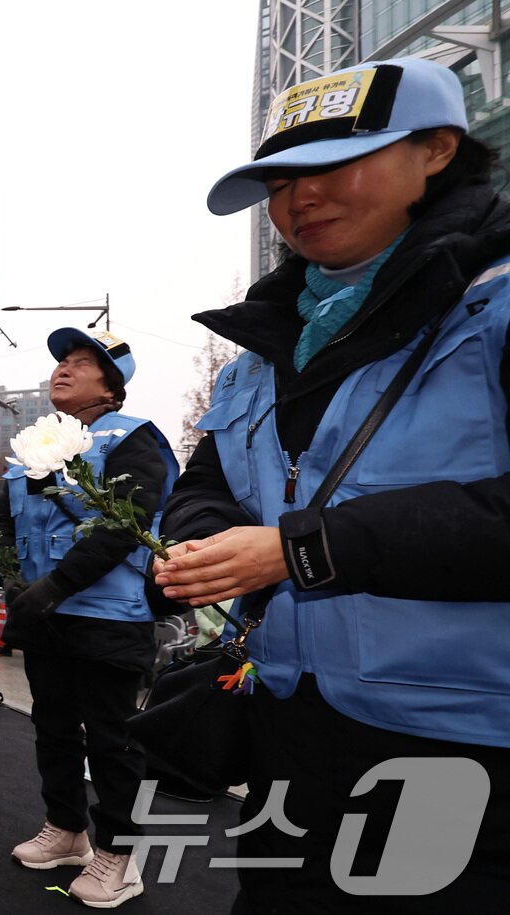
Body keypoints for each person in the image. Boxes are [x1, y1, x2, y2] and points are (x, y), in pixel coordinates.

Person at [156, 58, 510, 912]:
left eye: (331, 165)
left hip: (457, 747)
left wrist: (296, 551)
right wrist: (199, 548)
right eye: (279, 179)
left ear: (434, 150)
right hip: (287, 729)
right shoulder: (264, 350)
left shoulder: (493, 306)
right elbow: (203, 484)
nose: (298, 198)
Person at [0, 328, 177, 908]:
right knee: (53, 728)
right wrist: (14, 583)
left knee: (113, 740)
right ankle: (66, 831)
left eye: (80, 362)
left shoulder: (134, 439)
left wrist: (58, 585)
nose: (62, 371)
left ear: (112, 384)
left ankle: (118, 857)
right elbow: (1, 524)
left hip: (110, 618)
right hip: (45, 615)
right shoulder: (31, 444)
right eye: (60, 362)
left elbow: (126, 523)